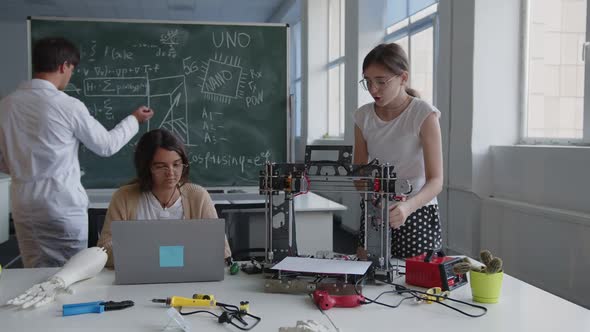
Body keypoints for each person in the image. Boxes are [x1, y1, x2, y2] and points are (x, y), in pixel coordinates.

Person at [0, 37, 154, 268]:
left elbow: (3, 163)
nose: (70, 75)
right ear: (64, 66)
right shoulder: (67, 106)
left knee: (32, 276)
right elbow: (106, 145)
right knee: (71, 275)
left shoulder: (7, 105)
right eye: (71, 69)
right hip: (61, 207)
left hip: (24, 207)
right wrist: (134, 120)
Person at [354, 43, 443, 258]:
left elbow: (436, 180)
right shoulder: (362, 117)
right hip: (376, 210)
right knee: (368, 275)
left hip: (417, 212)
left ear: (403, 78)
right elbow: (359, 174)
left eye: (381, 82)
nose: (373, 89)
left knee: (413, 284)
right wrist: (374, 199)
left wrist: (407, 207)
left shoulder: (423, 114)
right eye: (367, 82)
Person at [97, 128, 231, 268]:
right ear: (146, 167)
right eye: (161, 166)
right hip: (139, 282)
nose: (171, 173)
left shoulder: (198, 196)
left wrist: (147, 253)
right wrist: (175, 255)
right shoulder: (124, 197)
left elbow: (221, 252)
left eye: (176, 164)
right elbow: (104, 251)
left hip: (189, 280)